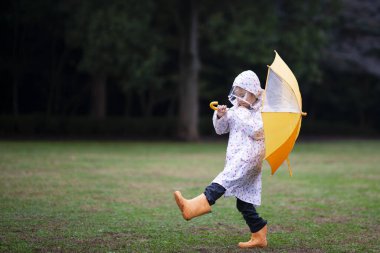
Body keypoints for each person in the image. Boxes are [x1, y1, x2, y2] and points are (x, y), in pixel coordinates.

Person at [173, 70, 268, 249]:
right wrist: (220, 116)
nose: (239, 99)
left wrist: (241, 113)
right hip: (236, 158)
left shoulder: (260, 113)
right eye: (237, 94)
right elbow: (221, 129)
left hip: (249, 158)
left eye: (243, 95)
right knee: (243, 202)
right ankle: (259, 233)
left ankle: (193, 207)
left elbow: (257, 132)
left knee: (224, 180)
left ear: (253, 94)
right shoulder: (236, 110)